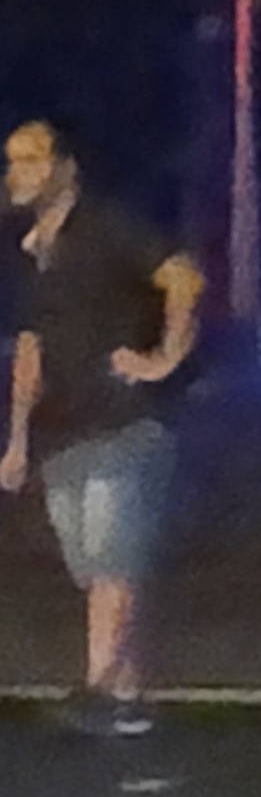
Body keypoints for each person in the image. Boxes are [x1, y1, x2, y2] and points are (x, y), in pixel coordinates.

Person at [1, 120, 204, 733]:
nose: (17, 173)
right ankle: (127, 691)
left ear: (66, 167)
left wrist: (164, 357)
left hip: (124, 422)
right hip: (62, 429)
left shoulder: (107, 226)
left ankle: (98, 687)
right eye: (12, 162)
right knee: (94, 566)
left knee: (113, 559)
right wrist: (16, 439)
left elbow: (183, 276)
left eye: (32, 159)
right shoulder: (33, 252)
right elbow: (31, 348)